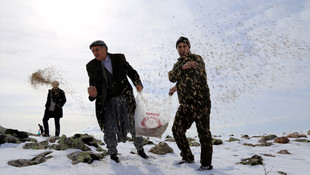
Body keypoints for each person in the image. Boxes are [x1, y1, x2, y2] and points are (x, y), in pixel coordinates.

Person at [86, 40, 148, 163]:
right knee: (109, 128)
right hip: (107, 102)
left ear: (105, 48)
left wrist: (137, 83)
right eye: (93, 51)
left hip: (125, 98)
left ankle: (140, 150)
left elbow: (131, 72)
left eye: (97, 50)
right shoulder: (91, 66)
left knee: (133, 124)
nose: (95, 53)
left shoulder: (119, 58)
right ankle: (113, 154)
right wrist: (92, 96)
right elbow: (93, 87)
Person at [168, 36, 213, 171]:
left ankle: (206, 164)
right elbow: (171, 77)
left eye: (184, 46)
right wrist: (177, 86)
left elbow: (195, 76)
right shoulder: (178, 64)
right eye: (179, 47)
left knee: (203, 134)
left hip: (201, 102)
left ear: (189, 47)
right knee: (177, 130)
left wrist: (182, 71)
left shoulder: (197, 59)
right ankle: (187, 157)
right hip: (186, 104)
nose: (182, 49)